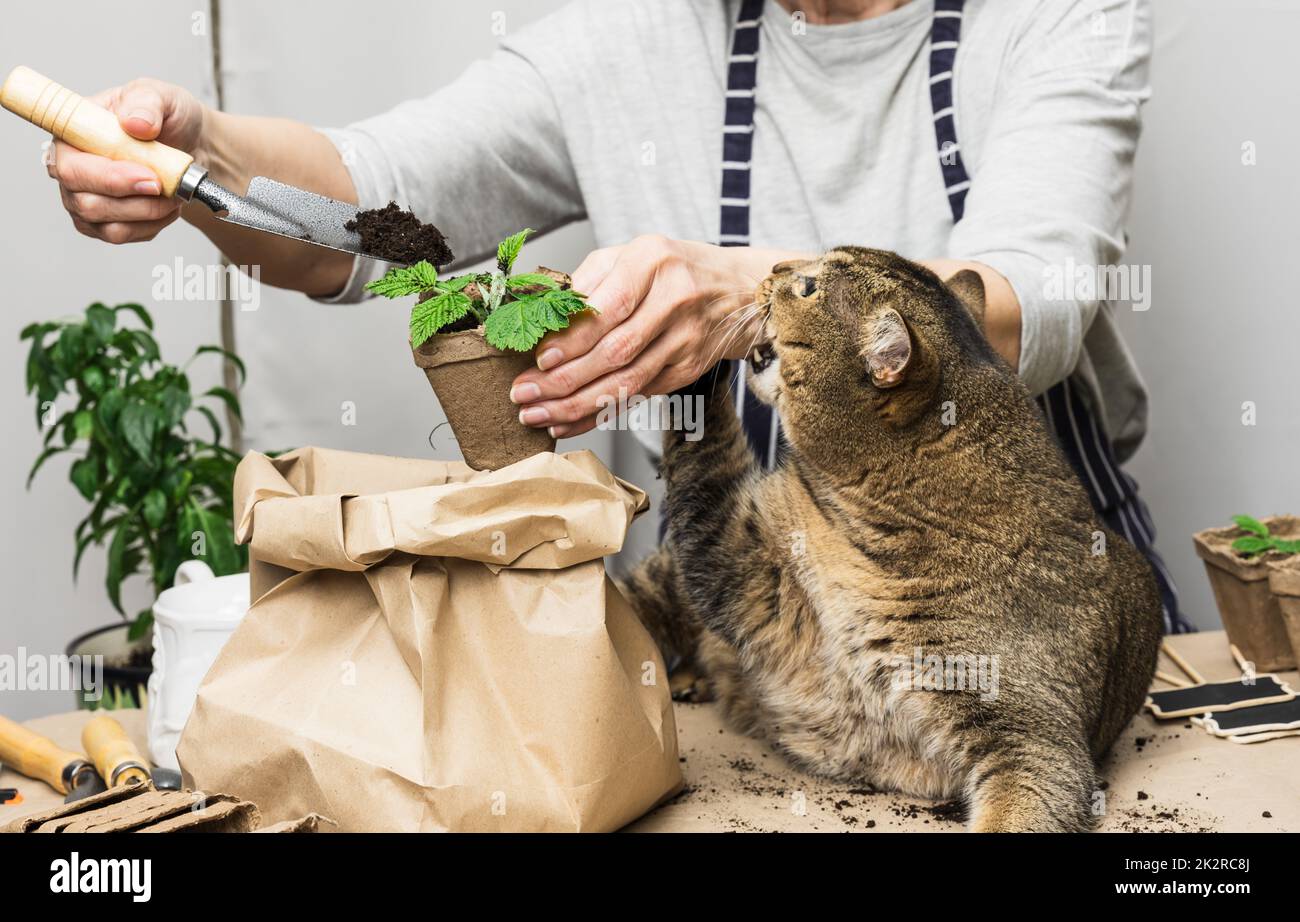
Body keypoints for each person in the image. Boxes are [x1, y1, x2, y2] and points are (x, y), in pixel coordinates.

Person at [46, 0, 1189, 632]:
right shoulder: (626, 38)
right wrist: (211, 154)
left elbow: (1034, 294)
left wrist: (751, 298)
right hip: (757, 642)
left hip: (1036, 613)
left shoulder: (1055, 18)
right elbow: (372, 196)